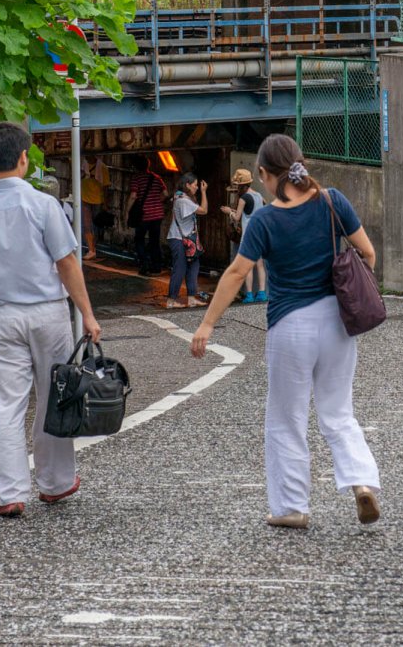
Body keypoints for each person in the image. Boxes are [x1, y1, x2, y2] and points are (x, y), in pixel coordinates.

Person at [191, 133, 380, 530]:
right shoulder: (333, 200)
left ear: (264, 173)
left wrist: (207, 323)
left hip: (291, 326)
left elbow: (237, 272)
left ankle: (292, 507)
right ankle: (361, 483)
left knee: (286, 417)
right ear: (300, 163)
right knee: (338, 411)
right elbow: (368, 253)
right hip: (337, 322)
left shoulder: (264, 219)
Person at [0, 122, 101, 519]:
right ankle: (54, 483)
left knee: (8, 404)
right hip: (48, 312)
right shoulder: (42, 205)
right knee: (54, 395)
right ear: (23, 158)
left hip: (2, 317)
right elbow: (67, 263)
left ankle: (10, 492)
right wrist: (86, 313)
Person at [220, 167, 267, 304]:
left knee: (247, 267)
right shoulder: (259, 196)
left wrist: (229, 211)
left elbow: (237, 217)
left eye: (237, 185)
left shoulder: (243, 198)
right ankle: (262, 293)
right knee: (260, 265)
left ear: (242, 185)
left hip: (248, 237)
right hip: (260, 235)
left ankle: (249, 295)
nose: (236, 187)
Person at [166, 172, 208, 309]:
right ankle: (171, 301)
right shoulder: (183, 200)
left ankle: (191, 298)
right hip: (179, 238)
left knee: (194, 265)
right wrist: (204, 192)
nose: (197, 187)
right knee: (180, 268)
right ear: (187, 185)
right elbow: (203, 210)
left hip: (183, 238)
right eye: (195, 185)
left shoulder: (179, 196)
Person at [126, 155, 168, 277]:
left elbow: (133, 196)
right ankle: (156, 267)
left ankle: (144, 263)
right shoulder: (157, 177)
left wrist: (127, 211)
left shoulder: (136, 178)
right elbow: (165, 193)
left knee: (139, 239)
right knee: (154, 241)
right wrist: (156, 201)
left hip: (144, 215)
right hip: (158, 214)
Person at [80, 159, 103, 261]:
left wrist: (105, 202)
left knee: (96, 226)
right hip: (85, 198)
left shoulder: (102, 167)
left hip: (97, 200)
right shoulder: (81, 165)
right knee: (87, 225)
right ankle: (91, 250)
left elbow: (105, 186)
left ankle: (93, 248)